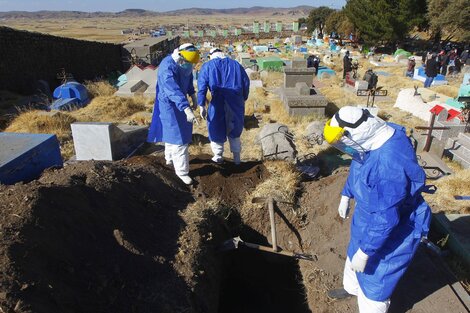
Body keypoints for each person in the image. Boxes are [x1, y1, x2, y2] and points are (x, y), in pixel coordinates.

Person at [323, 106, 431, 313]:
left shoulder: (388, 165)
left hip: (392, 226)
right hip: (367, 215)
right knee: (353, 252)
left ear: (355, 134)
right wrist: (347, 194)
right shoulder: (375, 135)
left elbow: (386, 219)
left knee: (376, 278)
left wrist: (366, 252)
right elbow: (359, 164)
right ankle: (351, 289)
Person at [147, 43, 201, 185]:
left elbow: (188, 78)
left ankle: (169, 159)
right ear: (181, 57)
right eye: (188, 63)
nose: (190, 66)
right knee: (179, 138)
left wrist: (192, 94)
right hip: (169, 105)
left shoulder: (185, 65)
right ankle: (182, 172)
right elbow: (172, 90)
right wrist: (186, 108)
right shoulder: (167, 67)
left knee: (172, 133)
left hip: (180, 102)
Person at [197, 47, 250, 164]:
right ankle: (237, 159)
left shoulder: (208, 66)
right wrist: (243, 98)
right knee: (235, 129)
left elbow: (201, 87)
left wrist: (201, 105)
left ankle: (218, 156)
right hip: (235, 101)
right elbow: (246, 82)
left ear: (211, 55)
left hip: (218, 101)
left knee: (216, 127)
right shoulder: (236, 65)